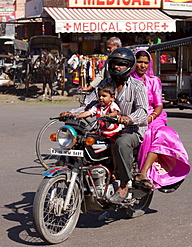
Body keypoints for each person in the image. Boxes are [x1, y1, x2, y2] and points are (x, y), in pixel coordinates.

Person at [60, 47, 149, 203]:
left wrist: (128, 118)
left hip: (131, 130)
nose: (116, 67)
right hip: (106, 129)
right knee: (81, 139)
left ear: (128, 66)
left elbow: (143, 112)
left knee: (122, 143)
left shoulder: (137, 86)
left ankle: (123, 185)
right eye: (114, 63)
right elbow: (89, 105)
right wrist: (71, 113)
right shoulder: (105, 83)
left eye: (121, 64)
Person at [130, 49, 190, 190]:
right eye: (139, 62)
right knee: (147, 135)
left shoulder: (154, 81)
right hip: (135, 118)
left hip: (154, 117)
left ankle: (144, 172)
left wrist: (150, 118)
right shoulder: (128, 80)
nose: (142, 65)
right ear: (134, 63)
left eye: (145, 63)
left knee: (164, 134)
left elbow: (158, 105)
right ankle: (142, 173)